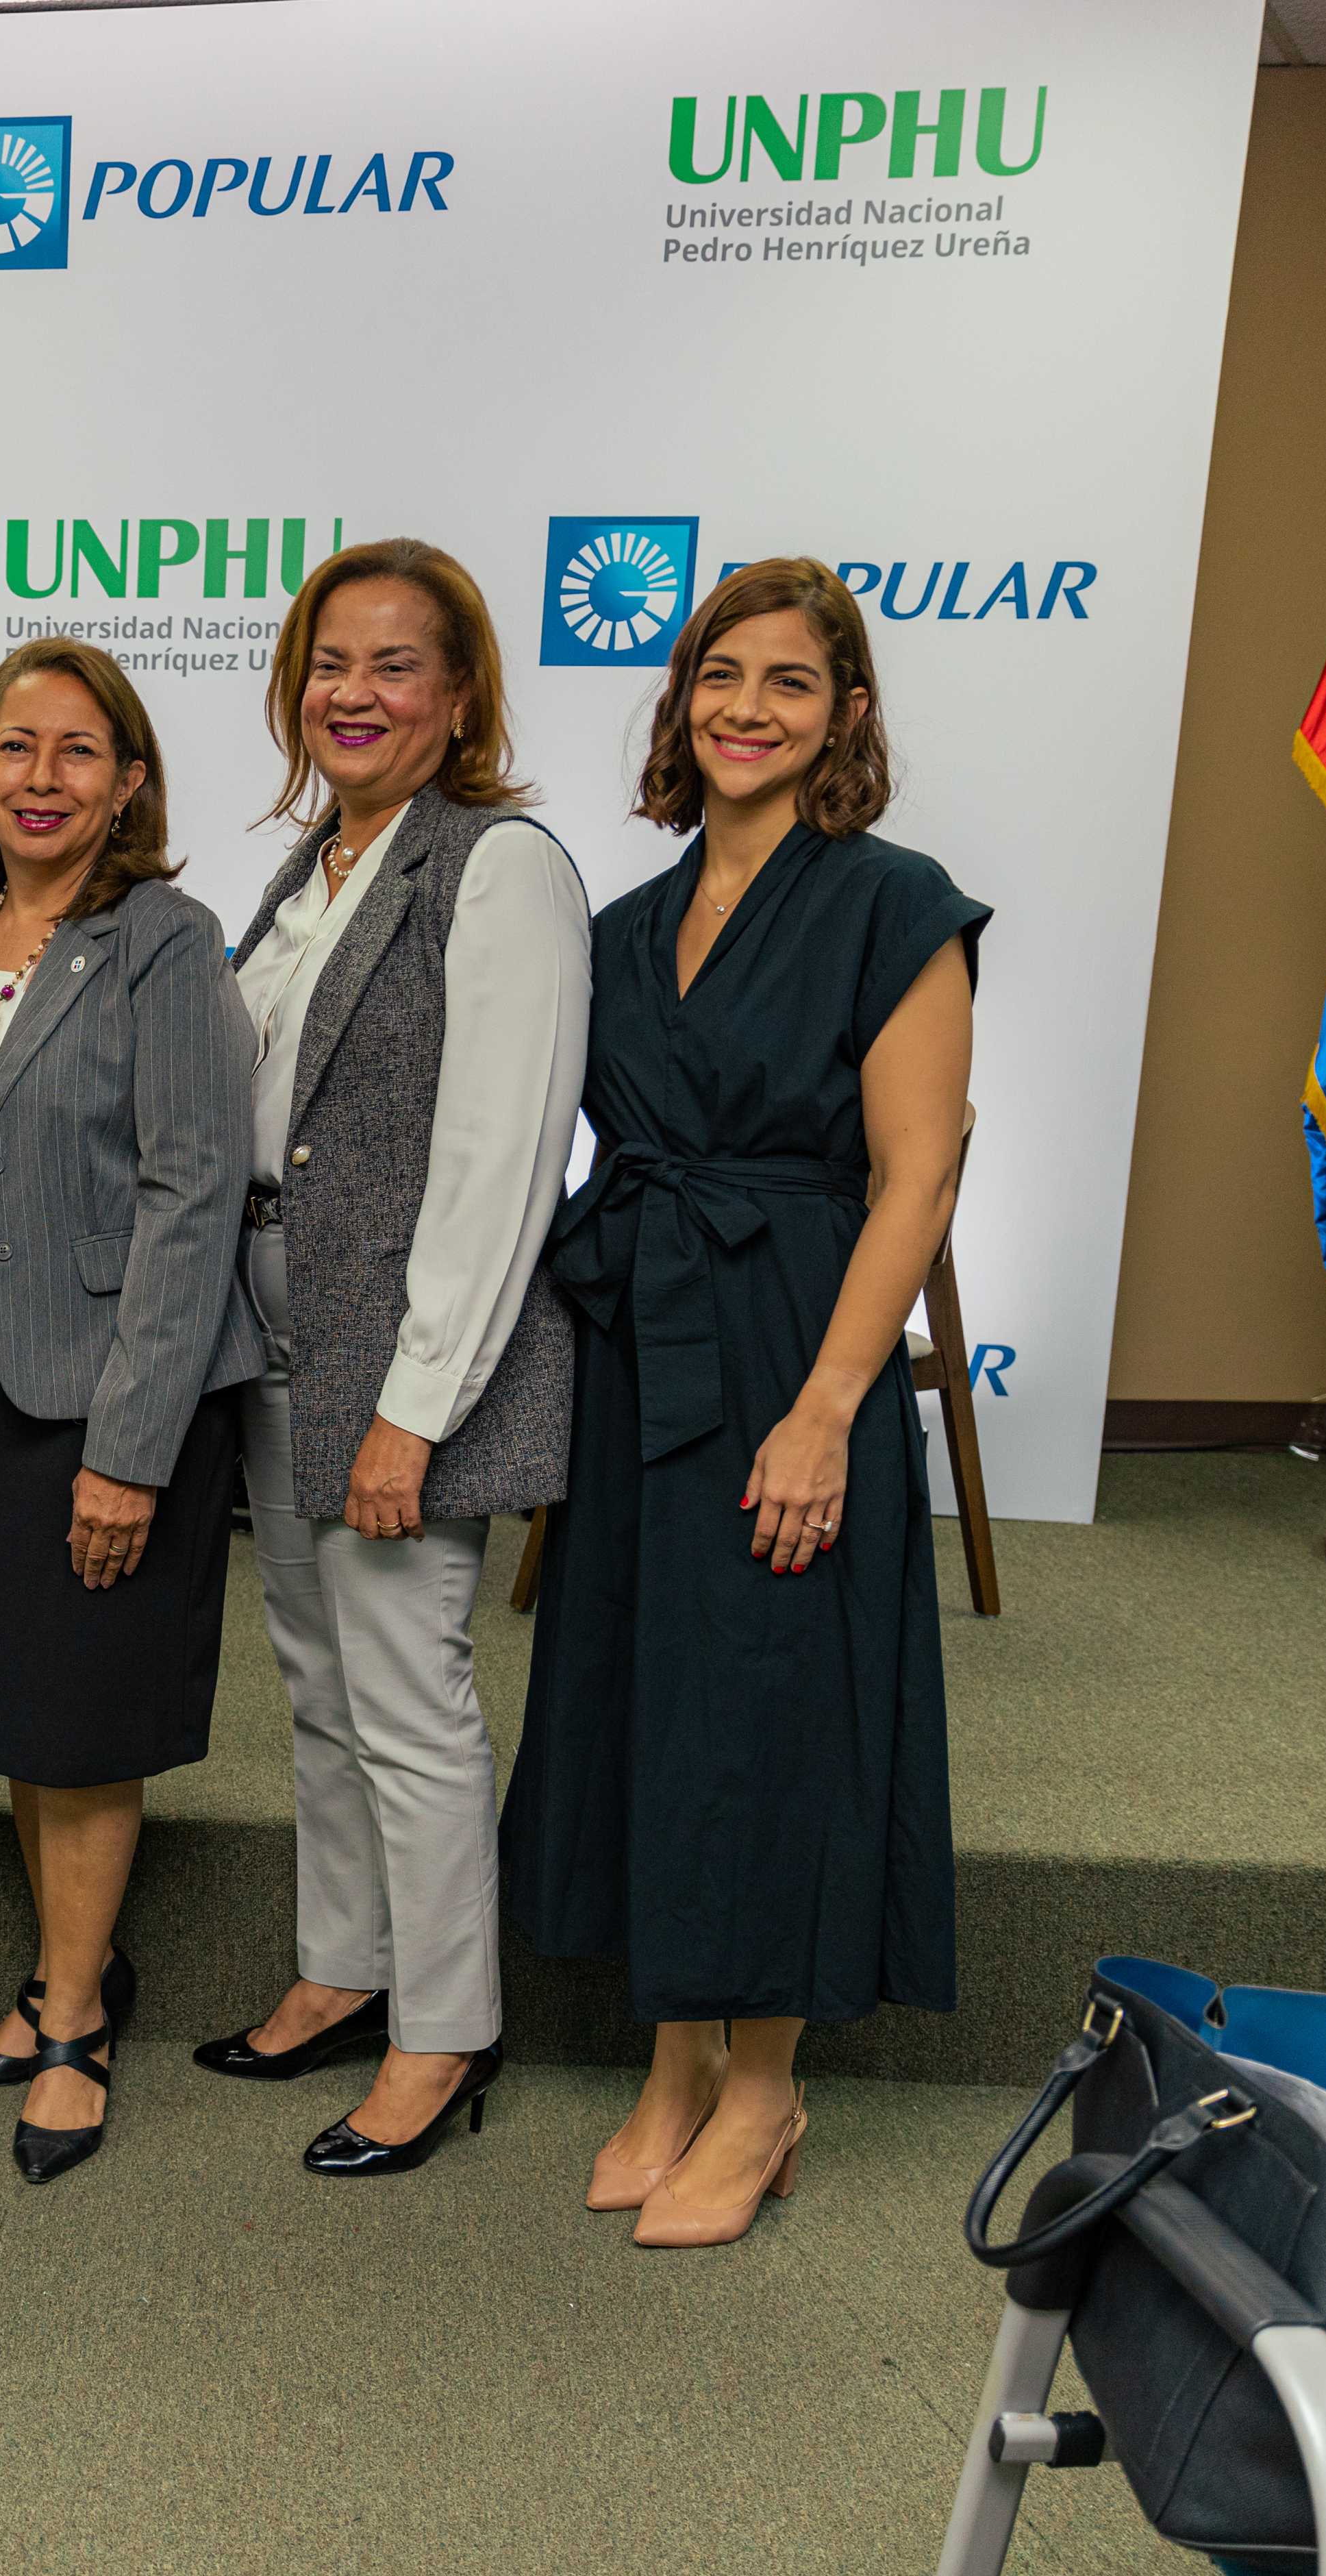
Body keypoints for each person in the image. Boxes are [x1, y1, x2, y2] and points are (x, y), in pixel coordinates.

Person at [499, 556, 982, 2248]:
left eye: (786, 682)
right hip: (647, 1341)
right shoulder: (627, 926)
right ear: (677, 698)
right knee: (651, 1688)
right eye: (719, 676)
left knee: (773, 1707)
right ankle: (671, 2058)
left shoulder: (892, 902)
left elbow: (915, 1179)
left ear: (843, 713)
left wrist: (828, 1407)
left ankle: (765, 2089)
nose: (744, 710)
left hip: (795, 1329)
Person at [194, 538, 590, 2179]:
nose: (351, 694)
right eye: (326, 665)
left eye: (393, 666)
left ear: (459, 694)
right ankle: (341, 1968)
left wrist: (410, 1411)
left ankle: (443, 2031)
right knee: (315, 1683)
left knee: (409, 1694)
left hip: (400, 1355)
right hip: (277, 1324)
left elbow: (500, 1159)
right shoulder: (310, 868)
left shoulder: (498, 866)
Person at [0, 640, 255, 2185]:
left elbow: (192, 1194)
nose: (40, 778)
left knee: (87, 1721)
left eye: (76, 752)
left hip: (98, 1395)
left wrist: (129, 1444)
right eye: (12, 748)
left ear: (130, 783)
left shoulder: (163, 941)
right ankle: (53, 1977)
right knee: (23, 1709)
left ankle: (78, 2026)